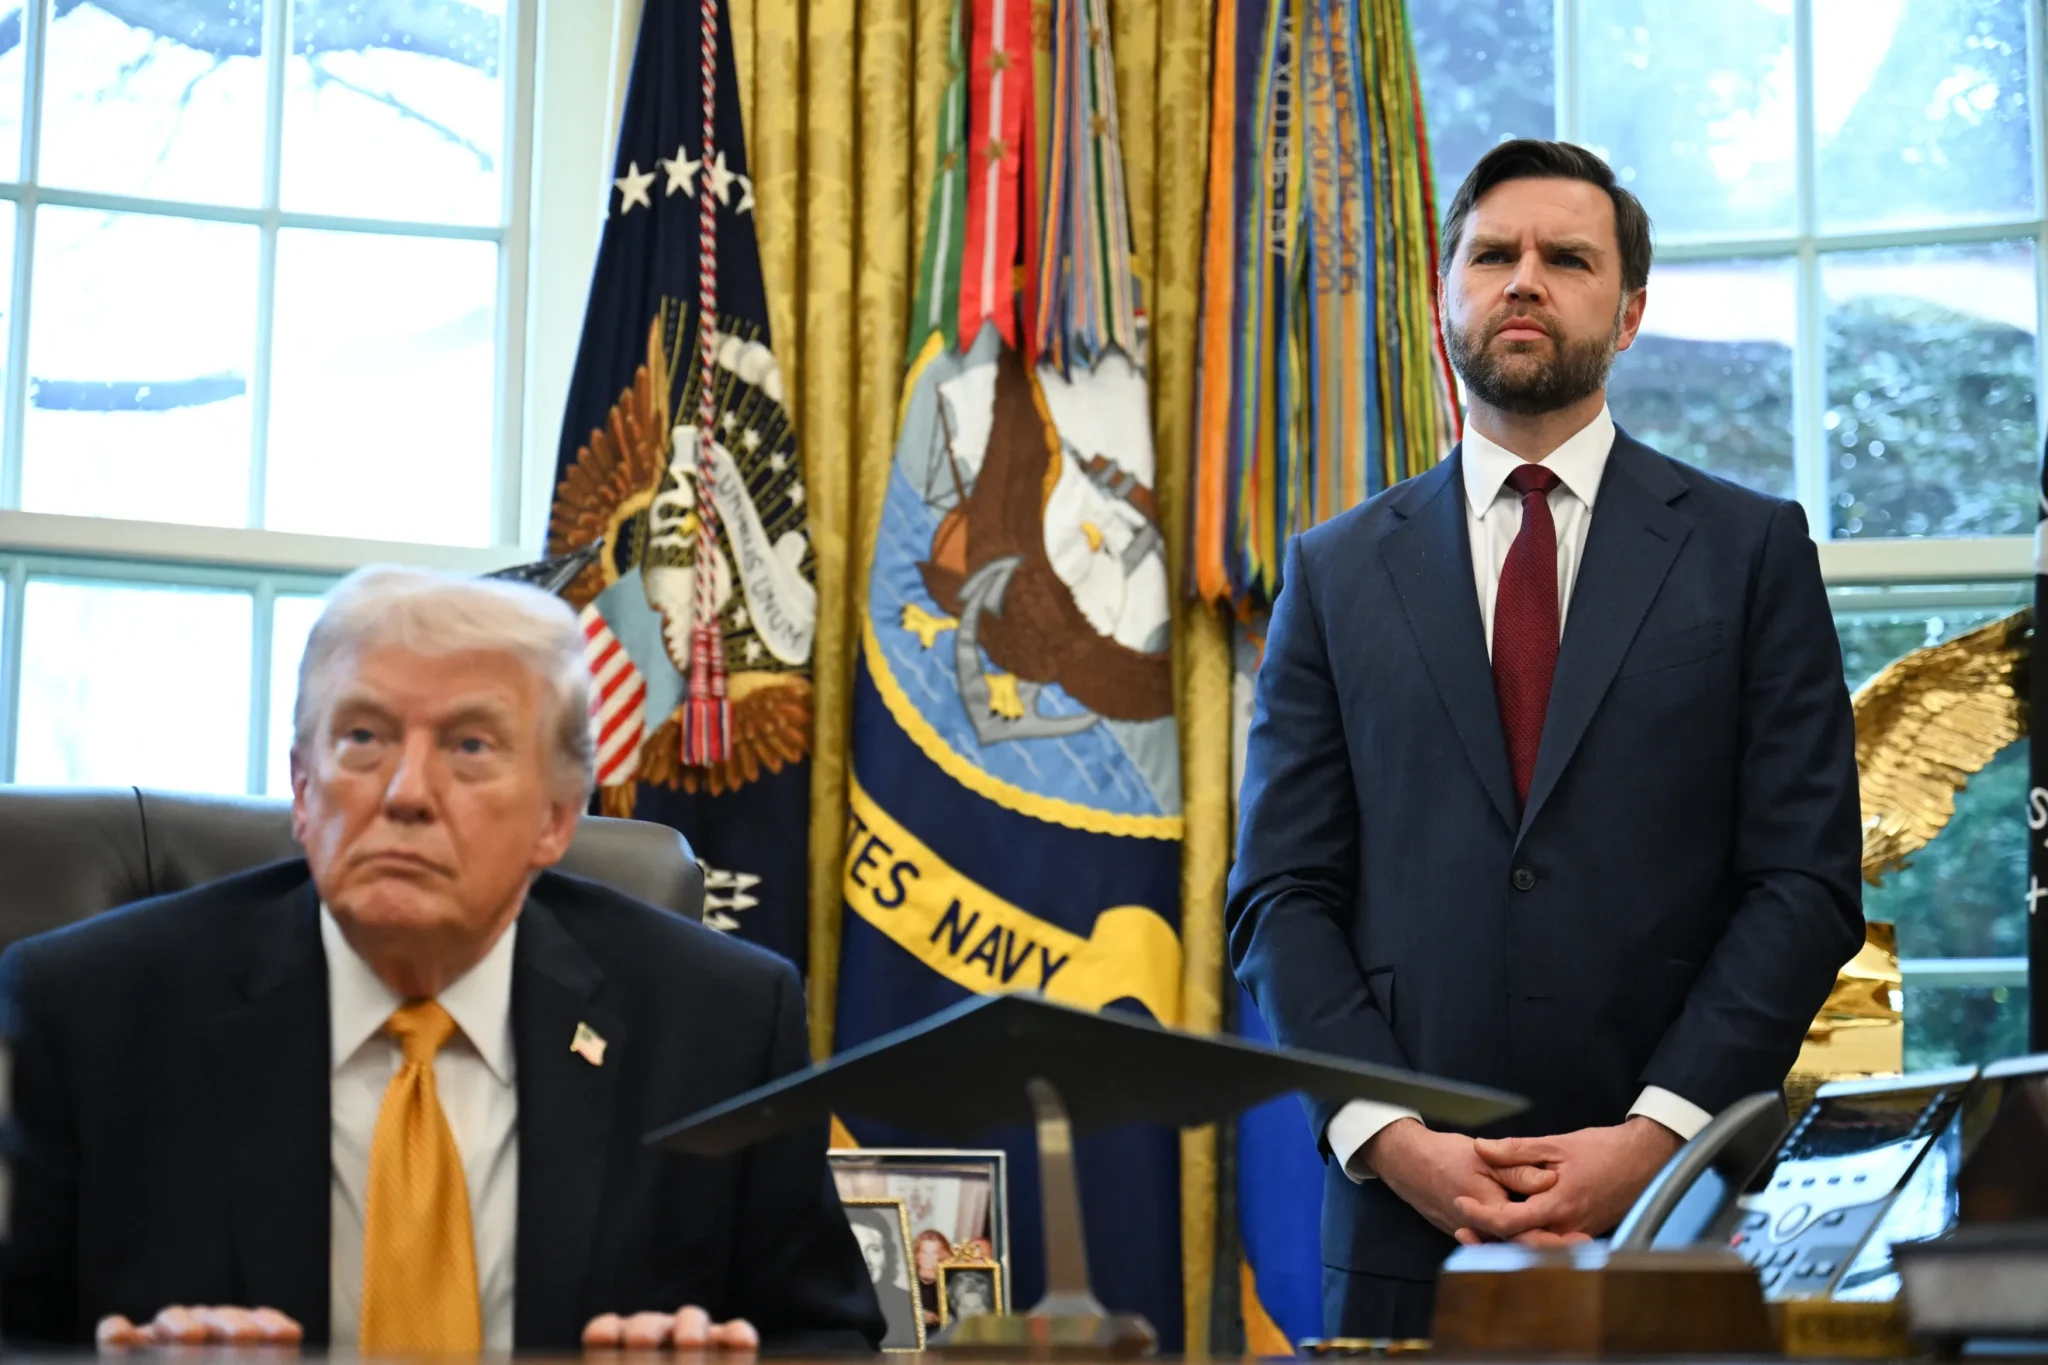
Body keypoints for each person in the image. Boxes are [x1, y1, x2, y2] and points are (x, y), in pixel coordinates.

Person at [1226, 138, 1863, 1339]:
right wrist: (1390, 1136)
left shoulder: (1749, 553)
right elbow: (1280, 892)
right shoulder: (1333, 573)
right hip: (1403, 1229)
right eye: (1491, 255)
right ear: (1442, 300)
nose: (1522, 279)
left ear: (1627, 315)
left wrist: (1654, 1135)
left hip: (1672, 1218)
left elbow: (1802, 881)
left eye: (1565, 258)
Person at [0, 566, 885, 1353]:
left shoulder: (718, 1024)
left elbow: (829, 1336)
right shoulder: (90, 1011)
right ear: (302, 790)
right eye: (363, 737)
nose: (406, 792)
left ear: (556, 816)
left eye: (469, 745)